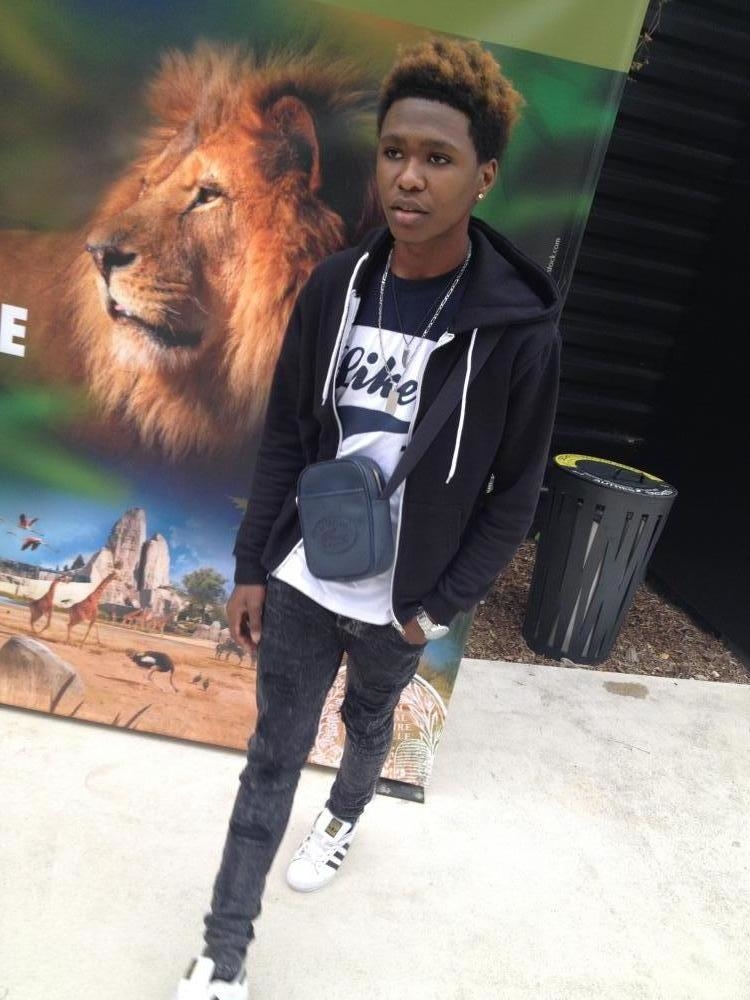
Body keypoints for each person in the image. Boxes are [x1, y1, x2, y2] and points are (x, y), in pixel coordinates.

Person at [176, 35, 561, 1000]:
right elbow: (284, 437)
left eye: (438, 158)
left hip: (405, 597)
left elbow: (516, 494)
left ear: (485, 176)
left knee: (367, 720)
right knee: (270, 758)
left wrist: (434, 610)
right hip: (308, 577)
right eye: (394, 152)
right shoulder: (335, 286)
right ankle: (223, 954)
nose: (410, 177)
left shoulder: (517, 330)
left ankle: (344, 818)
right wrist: (254, 565)